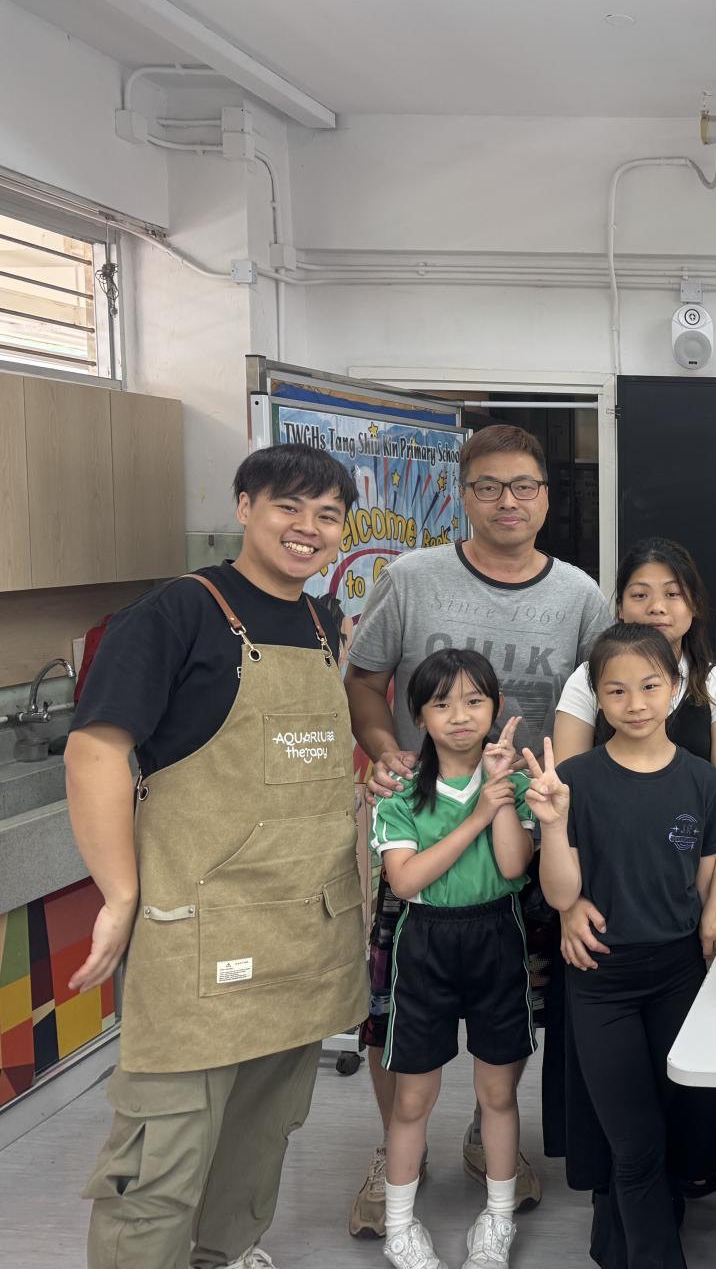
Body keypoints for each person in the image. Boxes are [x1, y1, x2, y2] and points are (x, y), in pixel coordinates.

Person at [69, 445, 366, 1269]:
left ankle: (227, 1254)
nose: (307, 528)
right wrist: (119, 894)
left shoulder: (323, 623)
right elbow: (95, 750)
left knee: (260, 1135)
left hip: (303, 933)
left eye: (327, 514)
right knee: (161, 1155)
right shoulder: (179, 612)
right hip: (200, 935)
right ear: (244, 508)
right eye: (288, 506)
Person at [343, 423, 612, 1233]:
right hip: (421, 825)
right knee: (395, 1005)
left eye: (523, 486)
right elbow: (363, 679)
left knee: (511, 1003)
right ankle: (395, 1150)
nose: (507, 501)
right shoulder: (411, 577)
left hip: (525, 828)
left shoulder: (581, 596)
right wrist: (385, 750)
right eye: (488, 486)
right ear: (463, 495)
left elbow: (606, 698)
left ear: (545, 498)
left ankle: (485, 1134)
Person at [533, 624, 716, 1269]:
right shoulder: (576, 780)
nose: (635, 703)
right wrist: (553, 826)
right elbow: (560, 892)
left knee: (675, 1121)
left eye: (651, 687)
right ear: (597, 698)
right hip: (601, 976)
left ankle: (613, 1239)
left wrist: (712, 910)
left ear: (676, 689)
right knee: (635, 1140)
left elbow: (709, 871)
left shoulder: (703, 782)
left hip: (679, 973)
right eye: (616, 691)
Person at [371, 656, 535, 1269]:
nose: (459, 716)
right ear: (418, 717)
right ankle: (398, 1225)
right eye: (441, 704)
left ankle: (497, 1218)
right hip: (425, 941)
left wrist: (500, 793)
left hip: (498, 935)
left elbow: (514, 866)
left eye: (473, 701)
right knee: (413, 1097)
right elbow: (406, 880)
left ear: (495, 708)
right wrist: (478, 815)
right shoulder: (400, 790)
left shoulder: (515, 782)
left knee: (498, 1092)